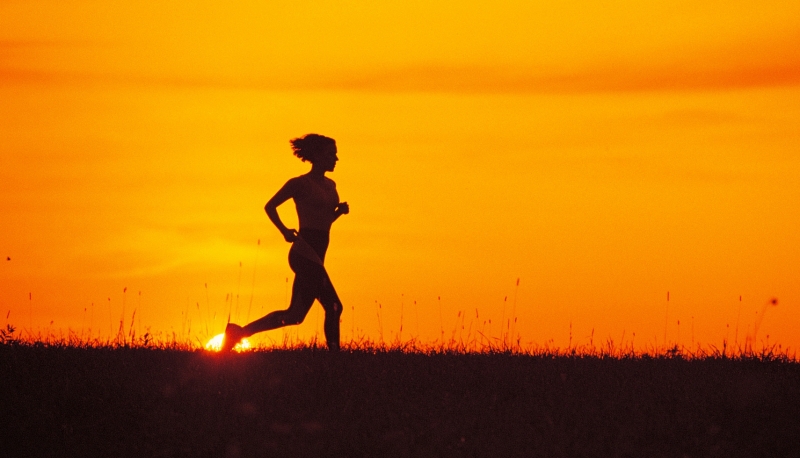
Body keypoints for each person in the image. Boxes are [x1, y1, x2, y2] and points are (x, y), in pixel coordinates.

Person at [222, 134, 349, 351]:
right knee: (334, 306)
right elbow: (270, 206)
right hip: (304, 252)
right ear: (317, 156)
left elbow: (323, 222)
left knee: (295, 315)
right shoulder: (299, 184)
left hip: (318, 254)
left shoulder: (331, 185)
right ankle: (336, 357)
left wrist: (338, 213)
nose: (336, 158)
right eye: (331, 154)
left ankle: (238, 333)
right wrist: (284, 231)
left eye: (335, 154)